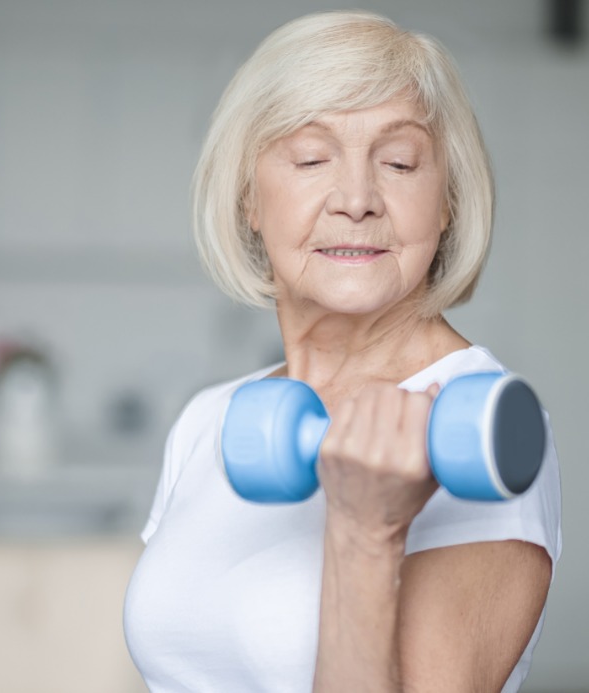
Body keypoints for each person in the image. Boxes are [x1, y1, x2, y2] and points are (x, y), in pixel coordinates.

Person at [123, 10, 562, 692]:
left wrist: (365, 529)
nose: (357, 199)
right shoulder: (209, 421)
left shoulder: (476, 426)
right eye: (311, 158)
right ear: (249, 199)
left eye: (398, 162)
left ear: (445, 201)